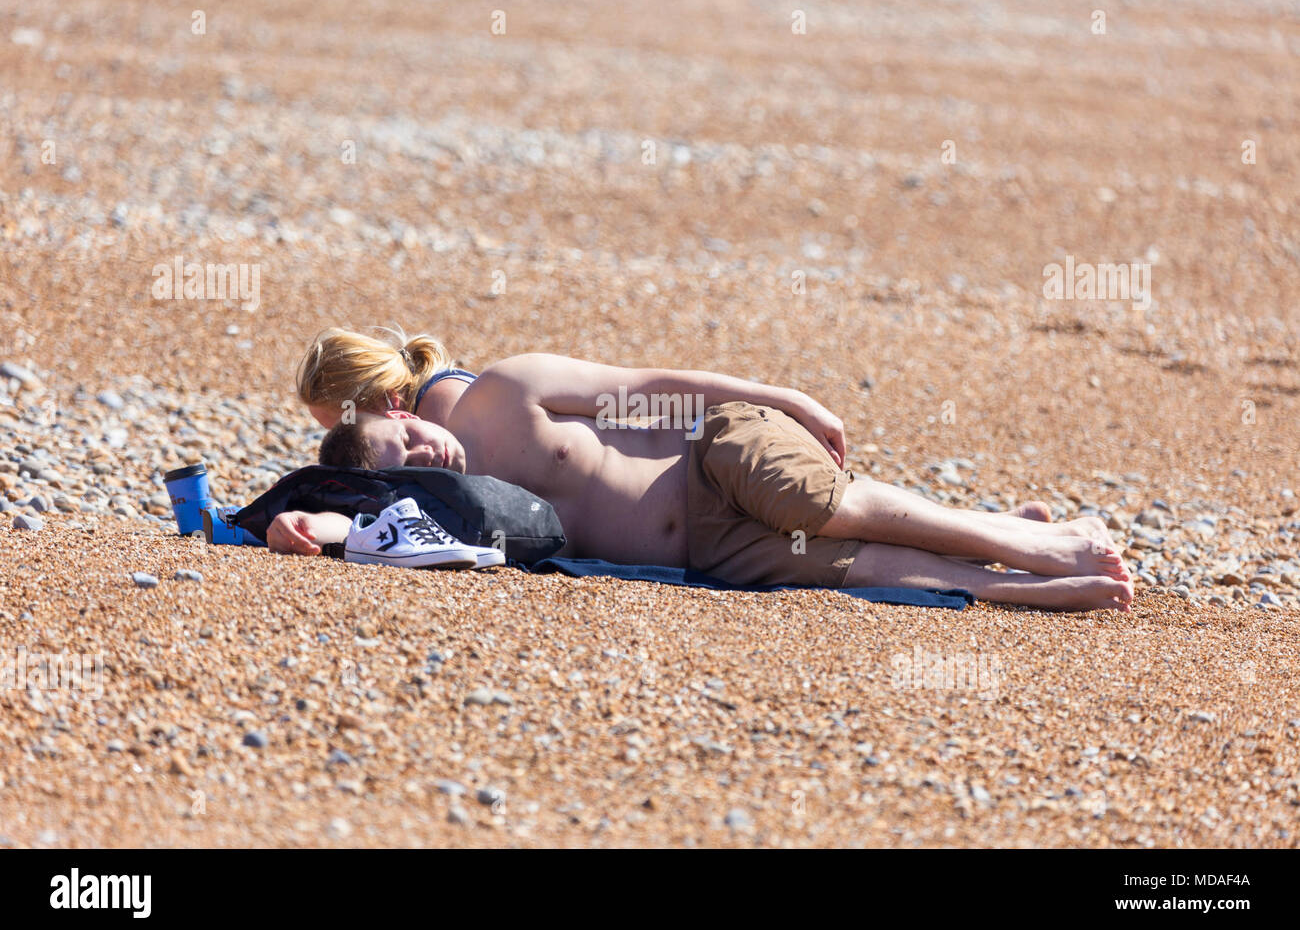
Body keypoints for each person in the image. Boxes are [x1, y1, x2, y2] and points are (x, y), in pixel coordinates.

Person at [275, 328, 1134, 612]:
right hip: (707, 551)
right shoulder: (439, 496)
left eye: (352, 424)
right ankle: (1017, 574)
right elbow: (371, 530)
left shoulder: (508, 391)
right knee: (853, 571)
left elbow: (650, 389)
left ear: (386, 405)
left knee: (831, 509)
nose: (404, 464)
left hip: (715, 453)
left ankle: (1050, 548)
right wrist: (304, 525)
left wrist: (788, 400)